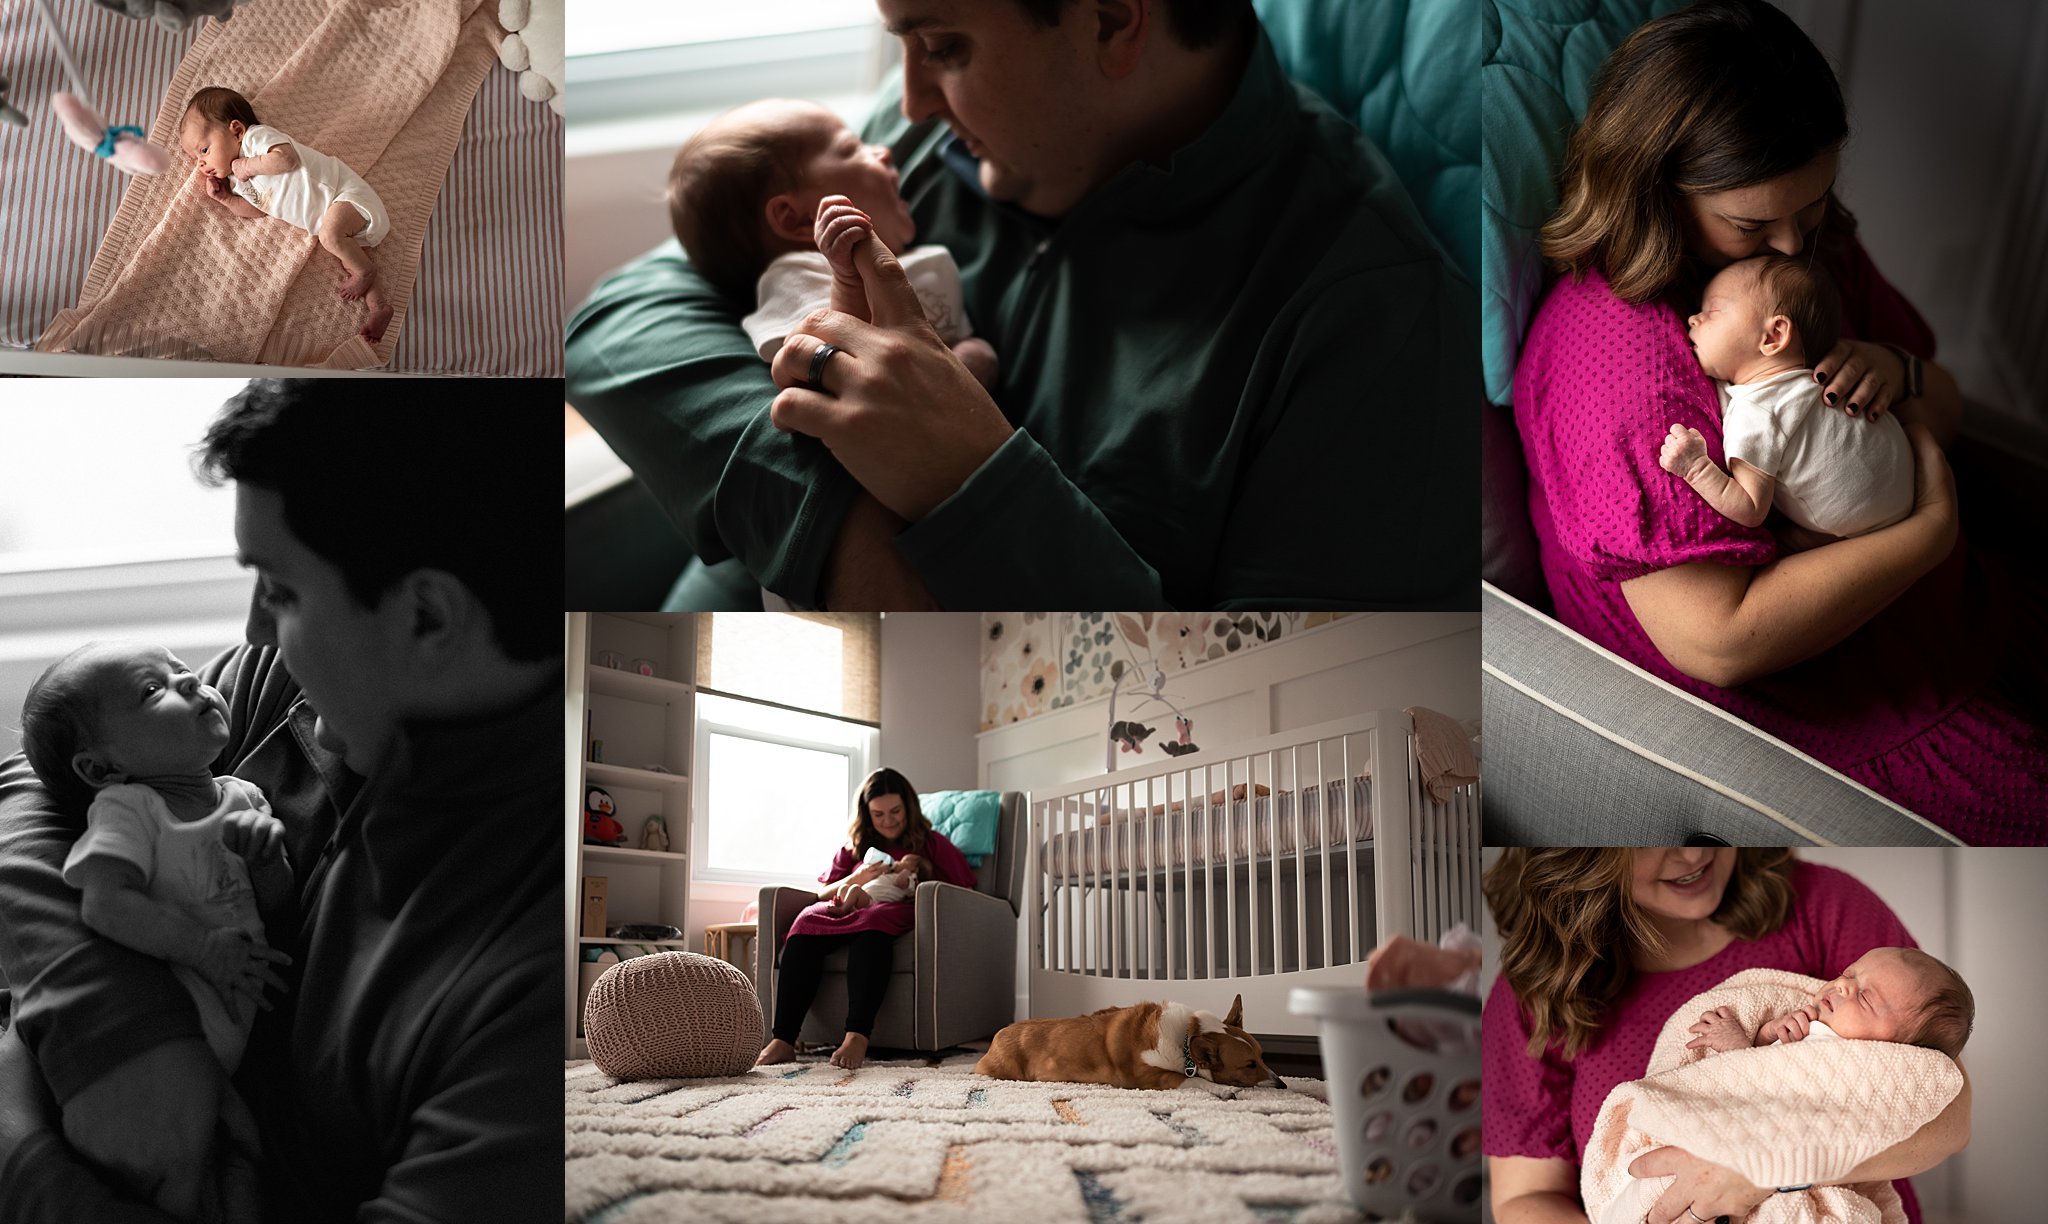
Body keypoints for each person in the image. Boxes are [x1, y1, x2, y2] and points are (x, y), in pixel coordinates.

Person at [567, 0, 1476, 611]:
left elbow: (1260, 711)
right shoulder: (940, 134)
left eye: (943, 48)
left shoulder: (1372, 323)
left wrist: (973, 480)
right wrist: (842, 531)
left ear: (1115, 22)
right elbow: (622, 315)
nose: (909, 104)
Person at [0, 379, 559, 1222]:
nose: (254, 631)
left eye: (282, 590)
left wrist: (18, 1155)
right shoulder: (280, 685)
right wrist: (112, 1033)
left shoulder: (524, 998)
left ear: (426, 616)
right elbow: (31, 777)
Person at [1512, 0, 2048, 834]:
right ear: (1656, 188)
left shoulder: (1802, 251)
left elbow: (1944, 406)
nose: (1795, 246)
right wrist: (1927, 532)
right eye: (1753, 223)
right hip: (1846, 701)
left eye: (1814, 204)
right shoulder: (1616, 360)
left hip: (1959, 611)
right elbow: (1721, 640)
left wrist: (1899, 375)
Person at [1483, 848, 1971, 1224]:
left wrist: (1768, 1167)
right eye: (1648, 840)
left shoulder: (1826, 906)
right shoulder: (1538, 989)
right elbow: (1527, 1198)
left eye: (1703, 823)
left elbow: (1942, 1105)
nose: (1694, 855)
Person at [17, 640, 294, 1221]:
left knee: (243, 1177)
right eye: (153, 690)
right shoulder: (131, 811)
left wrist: (269, 862)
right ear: (101, 768)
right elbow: (104, 904)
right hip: (153, 1046)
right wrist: (203, 948)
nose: (191, 684)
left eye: (184, 672)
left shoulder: (244, 797)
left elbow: (277, 909)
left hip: (226, 1054)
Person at [669, 99, 998, 386]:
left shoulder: (921, 259)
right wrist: (846, 278)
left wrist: (969, 357)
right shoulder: (796, 276)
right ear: (797, 219)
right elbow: (829, 358)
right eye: (852, 149)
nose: (883, 151)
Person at [1658, 254, 1912, 538]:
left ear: (1773, 336)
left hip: (1868, 530)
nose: (1694, 318)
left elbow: (1751, 507)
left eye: (1713, 310)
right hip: (1908, 493)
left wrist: (1695, 468)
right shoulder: (1810, 382)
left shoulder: (1757, 410)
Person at [755, 768, 976, 1071]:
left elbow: (963, 888)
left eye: (895, 811)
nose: (888, 820)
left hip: (888, 909)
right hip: (845, 902)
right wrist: (856, 876)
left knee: (873, 922)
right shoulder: (854, 847)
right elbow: (821, 893)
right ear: (866, 813)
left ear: (908, 808)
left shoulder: (931, 843)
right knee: (805, 921)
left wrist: (915, 883)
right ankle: (783, 1039)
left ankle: (857, 1035)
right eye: (878, 813)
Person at [180, 87, 394, 342]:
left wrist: (247, 165)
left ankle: (365, 272)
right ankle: (378, 306)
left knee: (331, 238)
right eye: (195, 158)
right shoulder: (237, 182)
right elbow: (258, 209)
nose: (200, 163)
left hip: (346, 197)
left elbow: (286, 160)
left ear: (236, 130)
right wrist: (226, 198)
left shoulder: (255, 140)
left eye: (203, 150)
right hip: (334, 222)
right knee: (345, 255)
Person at [1685, 946, 1973, 1055]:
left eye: (1865, 998)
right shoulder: (1812, 1027)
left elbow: (1767, 1088)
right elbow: (1769, 1062)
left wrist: (1736, 1047)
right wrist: (1767, 1034)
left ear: (1899, 1050)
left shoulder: (1847, 1059)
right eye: (1848, 974)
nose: (1843, 986)